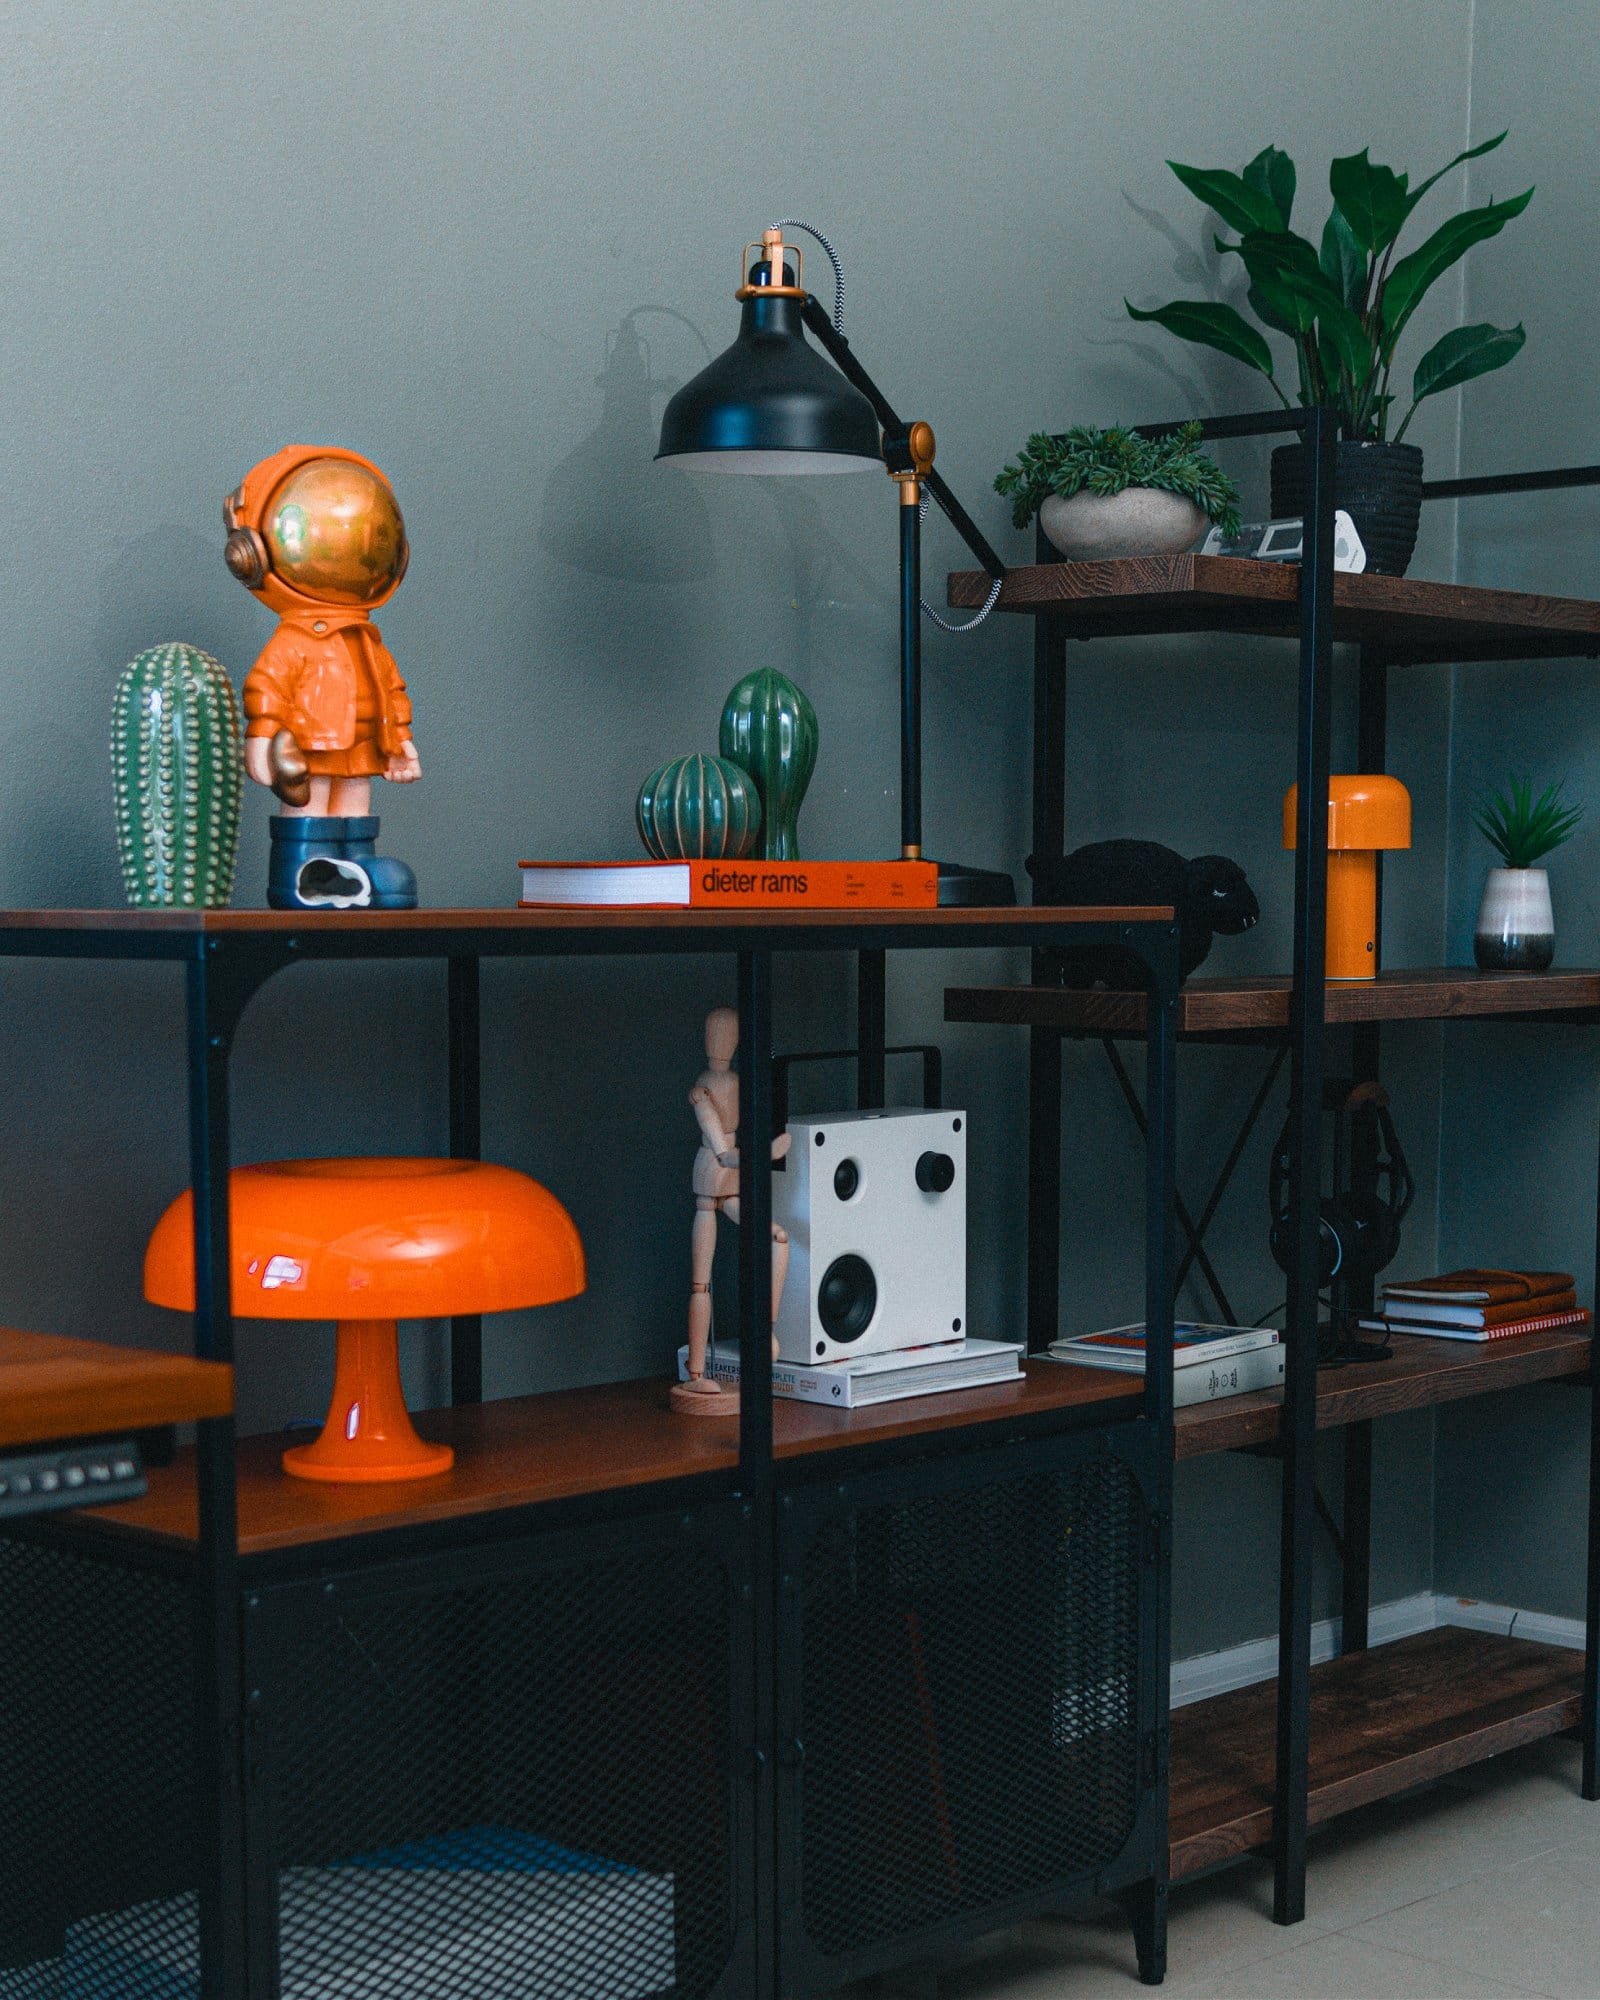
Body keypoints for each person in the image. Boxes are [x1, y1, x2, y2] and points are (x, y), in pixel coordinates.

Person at [223, 444, 420, 909]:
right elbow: (267, 686)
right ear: (249, 555)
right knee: (308, 803)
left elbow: (390, 690)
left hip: (360, 745)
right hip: (307, 747)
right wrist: (262, 737)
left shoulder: (367, 640)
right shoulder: (293, 641)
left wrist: (400, 738)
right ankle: (302, 876)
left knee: (354, 802)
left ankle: (353, 871)